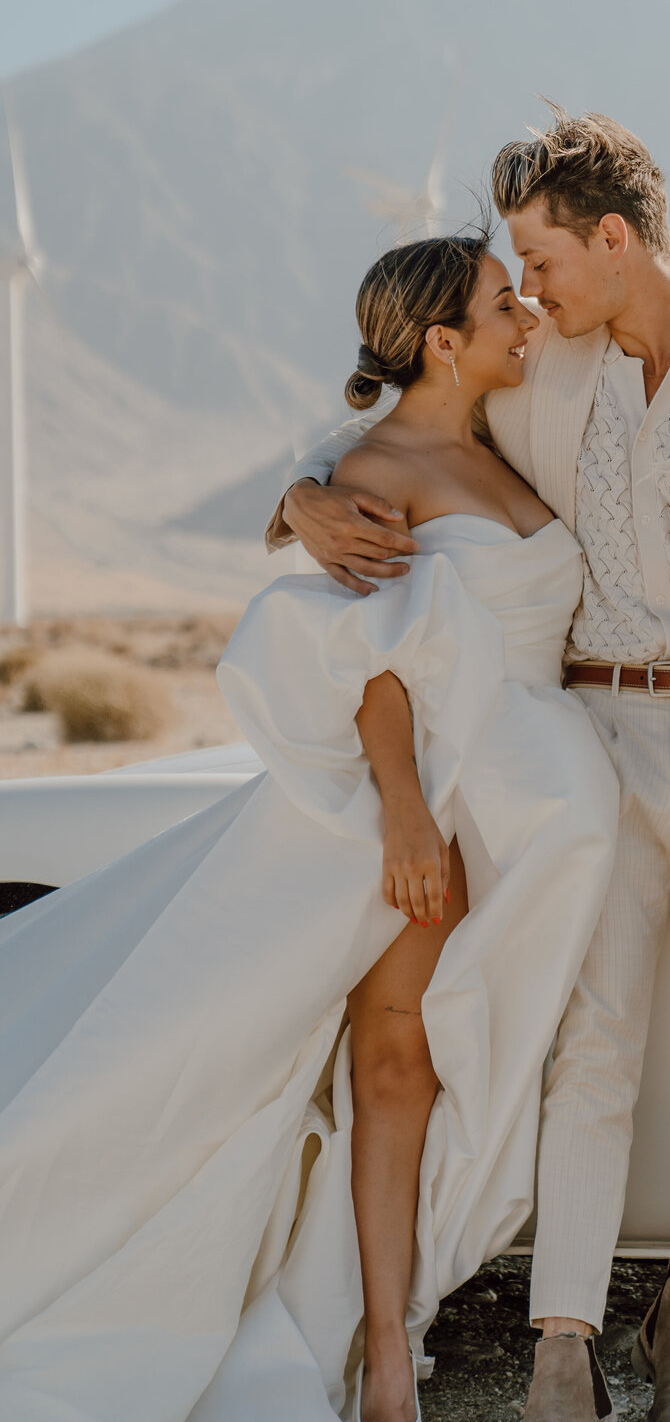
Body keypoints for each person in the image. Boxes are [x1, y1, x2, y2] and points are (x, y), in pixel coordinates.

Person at [275, 105, 670, 1422]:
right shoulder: (546, 368)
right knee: (597, 1041)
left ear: (614, 237)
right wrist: (301, 491)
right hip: (599, 746)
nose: (528, 289)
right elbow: (410, 420)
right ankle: (561, 1347)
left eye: (543, 259)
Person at [0, 230, 618, 1422]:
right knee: (398, 1067)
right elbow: (370, 659)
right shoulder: (378, 468)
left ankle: (387, 1322)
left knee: (419, 1069)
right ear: (445, 341)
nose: (527, 314)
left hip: (521, 800)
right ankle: (389, 1355)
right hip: (434, 798)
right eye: (504, 302)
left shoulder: (484, 444)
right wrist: (401, 816)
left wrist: (299, 491)